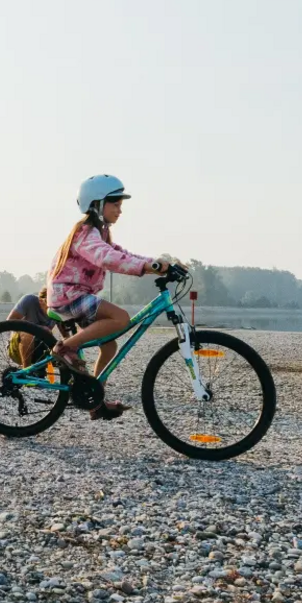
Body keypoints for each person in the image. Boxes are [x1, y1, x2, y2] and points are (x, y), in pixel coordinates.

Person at [47, 174, 180, 421]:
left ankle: (94, 402)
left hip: (78, 295)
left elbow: (120, 253)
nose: (120, 210)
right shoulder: (85, 233)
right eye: (115, 204)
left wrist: (154, 264)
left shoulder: (101, 232)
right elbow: (106, 258)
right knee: (120, 317)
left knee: (109, 345)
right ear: (97, 204)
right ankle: (67, 348)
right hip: (68, 295)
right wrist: (149, 267)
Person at [5, 286, 51, 366]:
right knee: (28, 333)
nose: (53, 307)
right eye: (49, 303)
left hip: (40, 348)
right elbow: (9, 322)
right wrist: (39, 329)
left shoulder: (58, 310)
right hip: (17, 348)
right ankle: (26, 371)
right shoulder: (29, 300)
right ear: (41, 300)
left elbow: (66, 336)